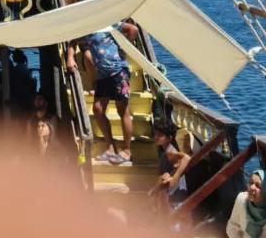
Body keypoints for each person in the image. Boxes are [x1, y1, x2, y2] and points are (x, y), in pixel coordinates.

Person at [67, 21, 139, 166]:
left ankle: (126, 151)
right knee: (98, 109)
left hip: (118, 72)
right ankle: (110, 147)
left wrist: (124, 48)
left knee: (121, 109)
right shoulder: (84, 29)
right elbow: (72, 41)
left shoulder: (108, 23)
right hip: (102, 76)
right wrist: (70, 57)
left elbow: (133, 29)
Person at [148, 121, 190, 209]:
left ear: (169, 138)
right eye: (155, 134)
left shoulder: (170, 152)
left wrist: (175, 177)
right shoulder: (164, 153)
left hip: (175, 195)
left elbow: (186, 158)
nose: (156, 137)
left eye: (160, 135)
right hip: (172, 195)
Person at [227, 169, 266, 238]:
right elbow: (232, 227)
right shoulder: (242, 199)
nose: (252, 187)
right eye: (250, 182)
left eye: (258, 186)